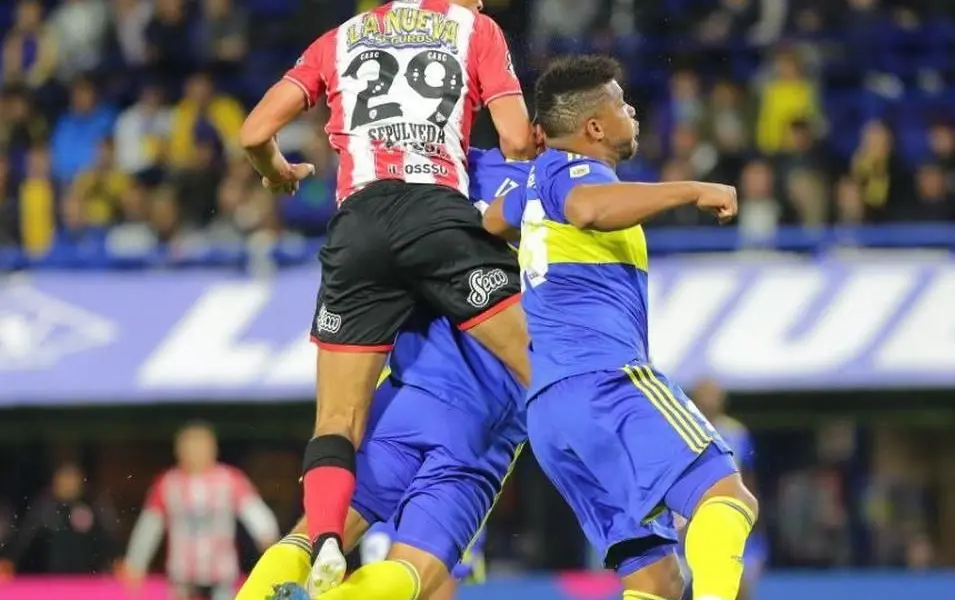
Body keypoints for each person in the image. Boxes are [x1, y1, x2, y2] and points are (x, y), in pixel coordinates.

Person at [237, 1, 537, 591]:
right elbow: (517, 138)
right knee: (547, 369)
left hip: (358, 225)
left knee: (337, 419)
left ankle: (325, 541)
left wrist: (274, 172)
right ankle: (635, 511)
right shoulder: (474, 27)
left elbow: (252, 133)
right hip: (436, 213)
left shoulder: (338, 37)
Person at [482, 55, 757, 600]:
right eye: (622, 103)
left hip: (552, 413)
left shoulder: (533, 185)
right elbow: (587, 208)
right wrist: (692, 189)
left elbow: (489, 221)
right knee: (727, 494)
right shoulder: (574, 172)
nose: (632, 111)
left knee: (656, 577)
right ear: (594, 127)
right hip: (605, 380)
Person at [124, 422, 279, 600]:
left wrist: (269, 541)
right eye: (190, 447)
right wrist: (136, 562)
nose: (195, 453)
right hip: (182, 576)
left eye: (201, 446)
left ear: (213, 448)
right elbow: (149, 526)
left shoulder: (230, 479)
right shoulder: (167, 483)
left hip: (221, 575)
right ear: (178, 450)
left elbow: (256, 512)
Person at [680, 379, 766, 600]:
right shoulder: (681, 429)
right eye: (704, 395)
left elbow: (748, 477)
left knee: (739, 585)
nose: (709, 401)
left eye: (713, 395)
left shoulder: (736, 432)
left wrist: (753, 522)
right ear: (693, 399)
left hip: (729, 514)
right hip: (689, 519)